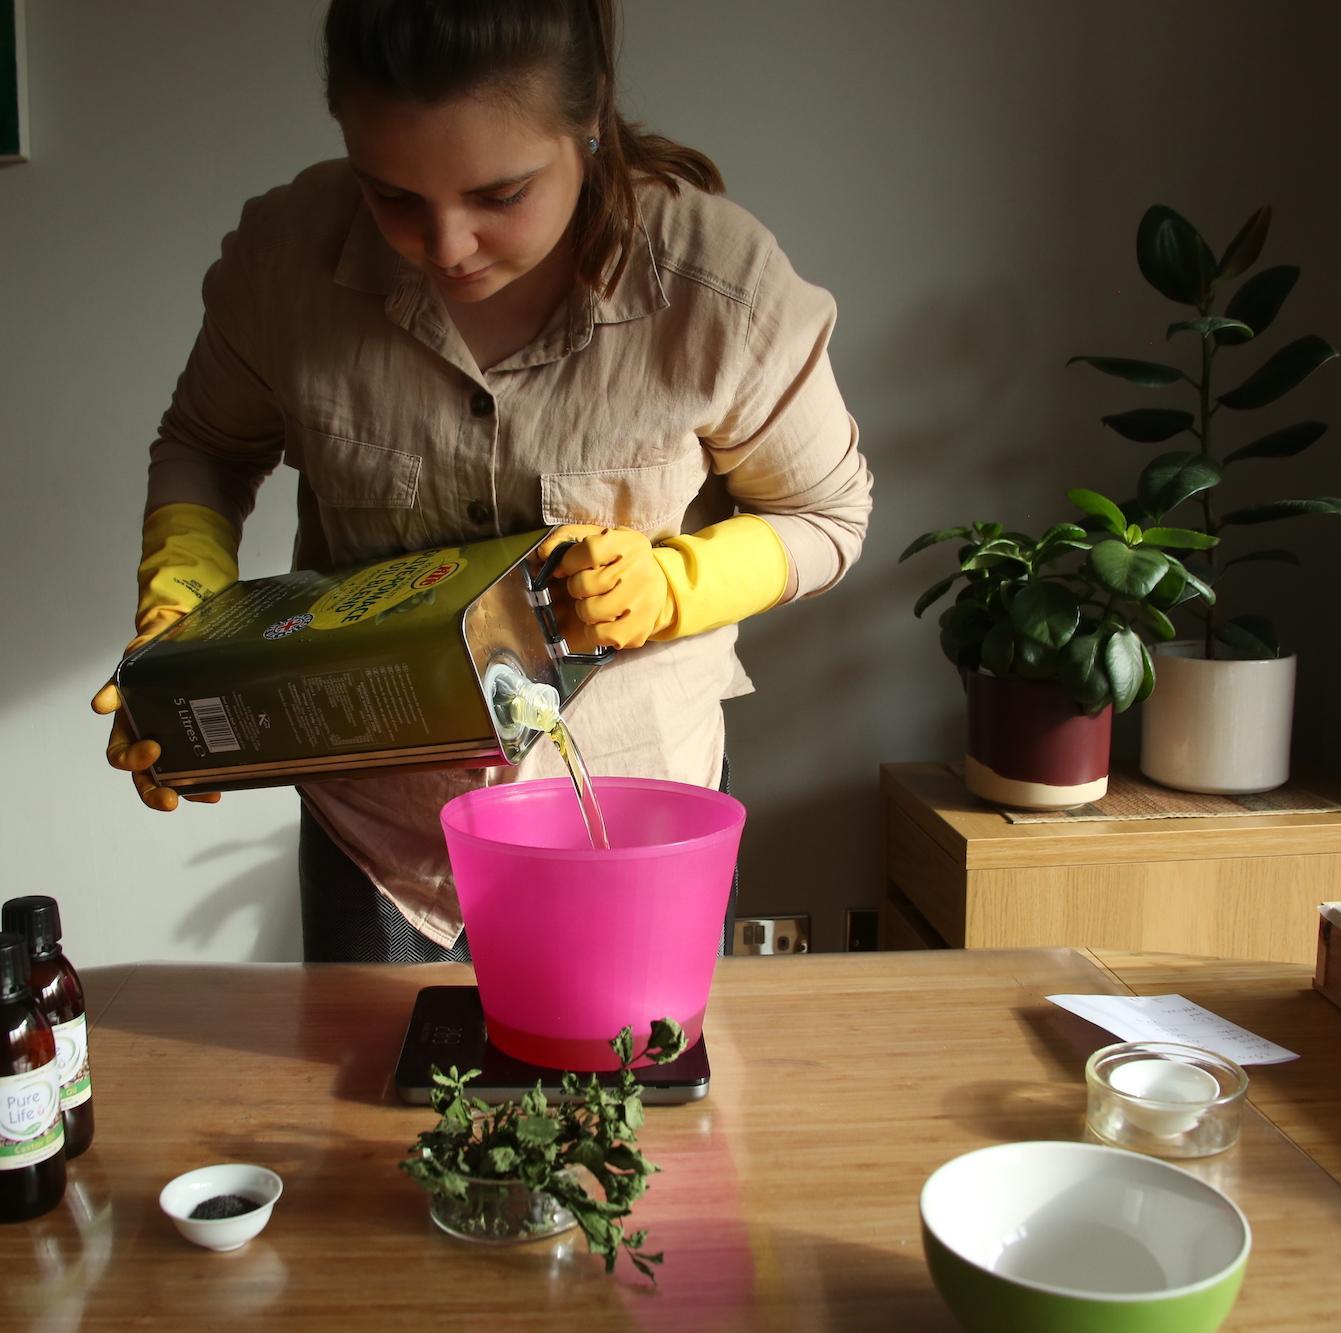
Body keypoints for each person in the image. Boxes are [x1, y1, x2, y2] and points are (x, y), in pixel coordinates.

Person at [90, 0, 872, 963]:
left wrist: (675, 585)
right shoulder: (285, 261)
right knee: (374, 1108)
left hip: (630, 814)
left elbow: (827, 516)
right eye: (393, 198)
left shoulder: (718, 288)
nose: (448, 245)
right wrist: (185, 609)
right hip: (381, 843)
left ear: (589, 120)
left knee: (634, 1108)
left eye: (500, 194)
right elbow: (205, 444)